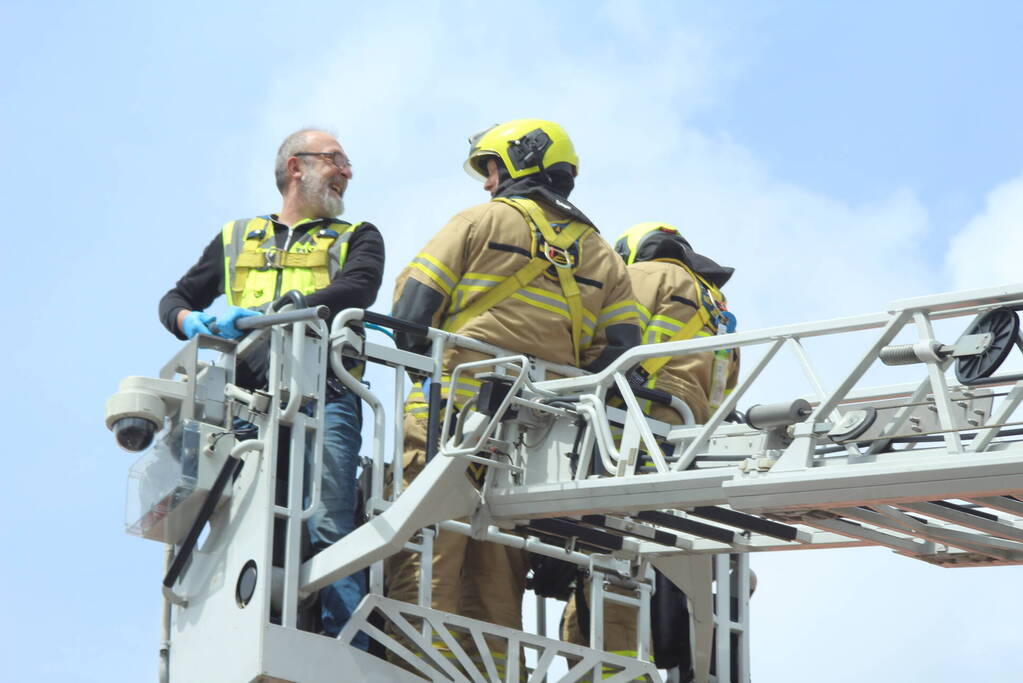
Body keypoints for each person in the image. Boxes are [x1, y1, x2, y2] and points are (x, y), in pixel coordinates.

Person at [387, 118, 642, 669]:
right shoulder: (603, 256)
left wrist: (434, 376)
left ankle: (415, 667)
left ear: (521, 162)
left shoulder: (479, 221)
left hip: (450, 414)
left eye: (492, 168)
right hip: (536, 440)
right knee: (499, 570)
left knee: (427, 548)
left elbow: (410, 312)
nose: (487, 182)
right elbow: (622, 351)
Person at [157, 128, 385, 644]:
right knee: (240, 524)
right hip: (245, 404)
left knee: (328, 520)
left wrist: (268, 314)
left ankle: (345, 651)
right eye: (336, 160)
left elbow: (357, 288)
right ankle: (240, 643)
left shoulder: (358, 235)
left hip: (326, 391)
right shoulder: (237, 236)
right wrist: (191, 322)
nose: (347, 172)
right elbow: (175, 298)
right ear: (296, 166)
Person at [561, 221, 739, 662]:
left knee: (610, 559)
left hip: (634, 426)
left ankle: (611, 664)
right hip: (684, 443)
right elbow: (725, 391)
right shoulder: (720, 313)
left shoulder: (646, 275)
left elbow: (610, 339)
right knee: (640, 563)